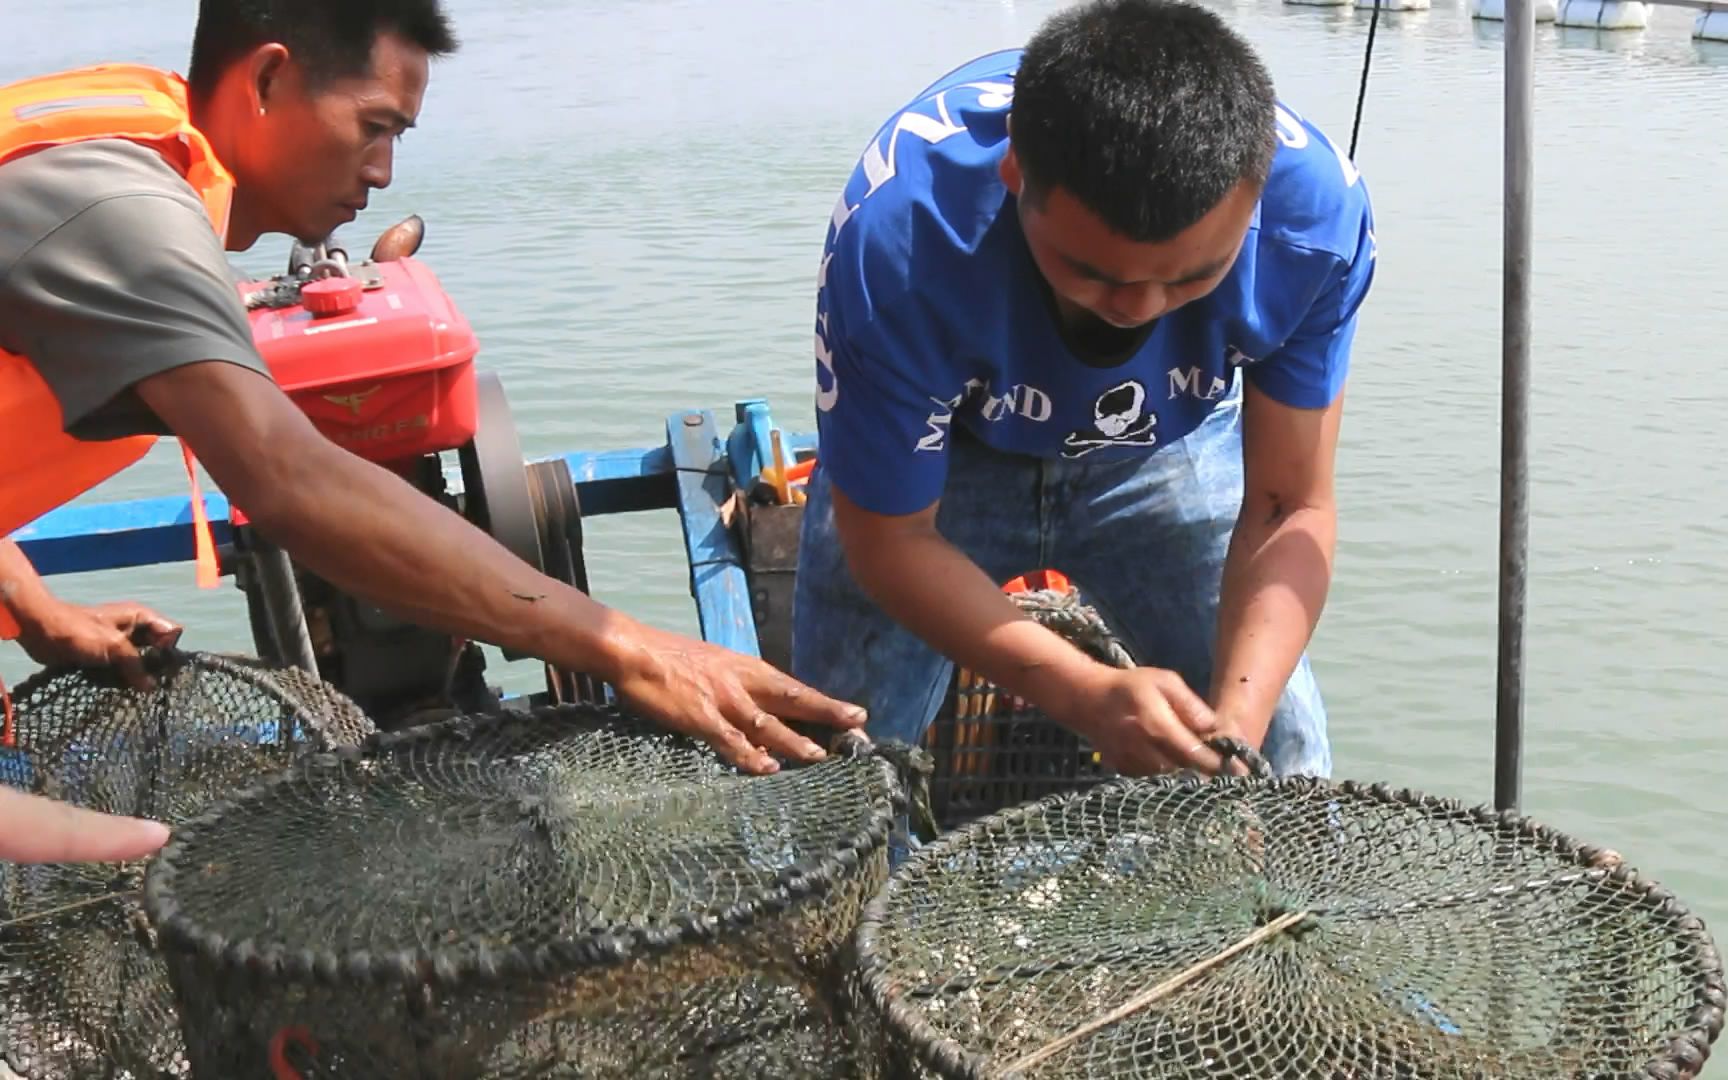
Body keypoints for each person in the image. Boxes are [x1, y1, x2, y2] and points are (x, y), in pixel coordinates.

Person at [0, 0, 867, 864]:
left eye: (399, 139)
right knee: (147, 867)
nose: (381, 171)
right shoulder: (123, 208)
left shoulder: (118, 152)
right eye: (373, 127)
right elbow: (293, 483)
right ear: (267, 78)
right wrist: (633, 652)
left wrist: (35, 611)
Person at [792, 0, 1376, 780]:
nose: (1139, 306)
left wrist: (1233, 732)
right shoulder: (903, 245)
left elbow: (1287, 504)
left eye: (1195, 276)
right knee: (845, 763)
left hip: (1159, 445)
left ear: (1255, 200)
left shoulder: (1316, 227)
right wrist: (1086, 694)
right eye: (1092, 272)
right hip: (945, 453)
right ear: (1015, 177)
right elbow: (889, 539)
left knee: (1284, 753)